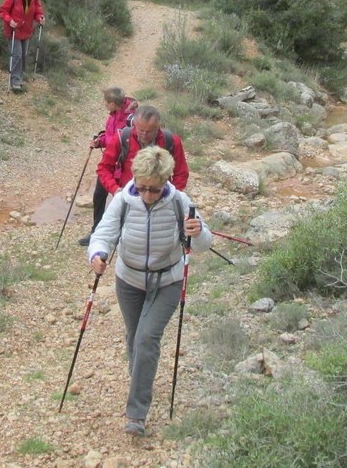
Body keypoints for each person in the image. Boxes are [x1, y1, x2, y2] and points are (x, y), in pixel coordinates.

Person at [87, 146, 211, 436]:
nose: (146, 195)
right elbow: (104, 233)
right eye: (141, 188)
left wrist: (198, 232)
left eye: (153, 190)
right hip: (128, 280)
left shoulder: (180, 201)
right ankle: (140, 375)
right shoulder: (124, 200)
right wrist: (98, 253)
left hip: (167, 280)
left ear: (166, 180)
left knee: (146, 338)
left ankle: (137, 413)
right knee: (134, 336)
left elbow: (204, 243)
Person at [79, 87, 138, 247]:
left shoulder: (132, 118)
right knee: (99, 196)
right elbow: (110, 136)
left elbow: (120, 141)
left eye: (105, 102)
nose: (104, 104)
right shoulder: (113, 115)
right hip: (110, 162)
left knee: (124, 199)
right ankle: (97, 232)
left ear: (112, 103)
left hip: (125, 166)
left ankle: (125, 234)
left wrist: (106, 141)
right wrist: (100, 141)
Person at [95, 104, 189, 198]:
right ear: (134, 124)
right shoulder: (122, 138)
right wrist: (115, 189)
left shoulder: (171, 141)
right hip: (129, 196)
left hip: (160, 197)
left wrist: (171, 195)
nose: (144, 134)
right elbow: (104, 168)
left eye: (149, 131)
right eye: (141, 130)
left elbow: (181, 173)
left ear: (158, 126)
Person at [0, 0, 44, 93]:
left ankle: (19, 77)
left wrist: (40, 18)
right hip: (14, 30)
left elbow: (38, 12)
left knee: (23, 55)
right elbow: (3, 11)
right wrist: (10, 21)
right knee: (17, 55)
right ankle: (14, 81)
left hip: (26, 31)